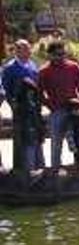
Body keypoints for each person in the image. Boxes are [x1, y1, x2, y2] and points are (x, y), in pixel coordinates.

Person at [38, 40, 79, 168]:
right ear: (50, 55)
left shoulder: (73, 67)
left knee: (78, 141)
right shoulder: (44, 71)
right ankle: (55, 170)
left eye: (63, 54)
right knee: (56, 142)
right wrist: (50, 105)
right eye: (57, 54)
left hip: (74, 108)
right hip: (57, 110)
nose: (60, 57)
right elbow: (39, 93)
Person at [3, 40, 44, 172]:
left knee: (36, 137)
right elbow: (6, 89)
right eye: (25, 49)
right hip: (20, 108)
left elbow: (37, 85)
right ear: (17, 50)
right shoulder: (10, 68)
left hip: (34, 107)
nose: (29, 51)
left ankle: (38, 167)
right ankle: (21, 169)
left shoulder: (32, 65)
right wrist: (13, 104)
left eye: (29, 48)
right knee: (21, 138)